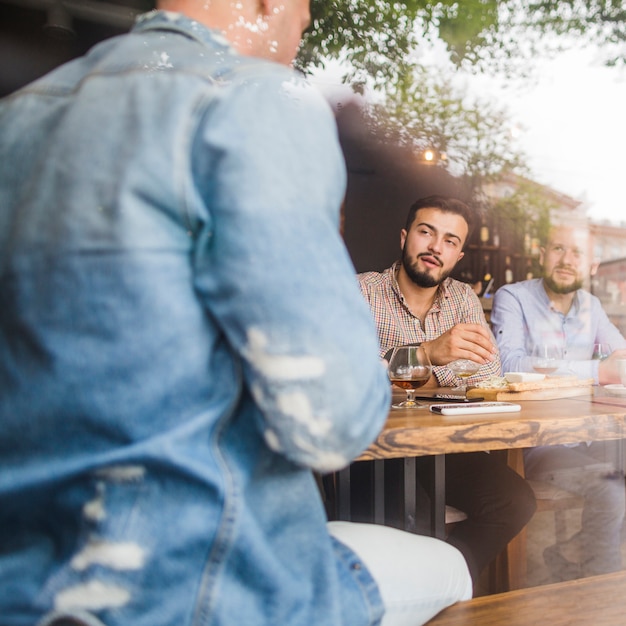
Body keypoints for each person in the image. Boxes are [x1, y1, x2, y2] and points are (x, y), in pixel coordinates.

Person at [0, 2, 473, 625]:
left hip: (25, 576)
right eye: (303, 11)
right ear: (266, 4)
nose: (302, 28)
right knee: (452, 569)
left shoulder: (21, 114)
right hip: (191, 578)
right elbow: (330, 423)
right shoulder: (258, 101)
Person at [358, 195, 537, 589]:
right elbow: (348, 378)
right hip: (375, 449)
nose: (436, 247)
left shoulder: (461, 298)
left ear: (458, 255)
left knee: (515, 501)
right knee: (413, 520)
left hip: (446, 446)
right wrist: (428, 354)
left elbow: (487, 374)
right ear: (405, 237)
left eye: (451, 241)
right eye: (427, 232)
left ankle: (443, 586)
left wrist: (404, 376)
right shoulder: (361, 294)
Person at [491, 223, 626, 580]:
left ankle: (569, 553)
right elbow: (509, 366)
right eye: (558, 249)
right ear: (541, 255)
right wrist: (598, 372)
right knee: (612, 493)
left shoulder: (592, 306)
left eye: (578, 252)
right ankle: (602, 600)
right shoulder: (513, 297)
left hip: (592, 434)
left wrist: (613, 368)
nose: (567, 260)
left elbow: (622, 358)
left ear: (591, 266)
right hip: (537, 442)